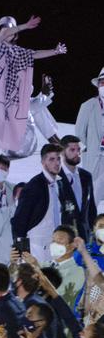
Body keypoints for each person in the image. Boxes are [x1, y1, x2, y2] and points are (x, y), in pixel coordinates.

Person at [0, 15, 66, 169]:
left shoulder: (16, 52)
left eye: (11, 29)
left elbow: (34, 54)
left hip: (2, 98)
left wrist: (55, 51)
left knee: (3, 130)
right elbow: (3, 35)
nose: (8, 32)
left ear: (15, 35)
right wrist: (25, 25)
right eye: (5, 29)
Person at [12, 144, 69, 262]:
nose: (57, 163)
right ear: (43, 162)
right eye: (52, 159)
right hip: (37, 246)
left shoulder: (60, 184)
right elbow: (19, 220)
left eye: (58, 158)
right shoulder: (33, 186)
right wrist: (21, 250)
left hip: (57, 245)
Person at [76, 66, 104, 211]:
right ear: (98, 85)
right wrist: (90, 149)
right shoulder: (88, 106)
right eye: (102, 82)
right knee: (92, 199)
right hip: (95, 159)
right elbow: (79, 133)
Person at [60, 134, 97, 240]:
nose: (77, 153)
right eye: (72, 150)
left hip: (85, 237)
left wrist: (94, 234)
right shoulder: (56, 178)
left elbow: (91, 209)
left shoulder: (86, 176)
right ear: (62, 152)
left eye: (78, 149)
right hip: (65, 239)